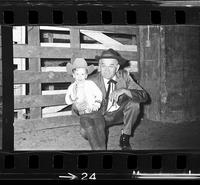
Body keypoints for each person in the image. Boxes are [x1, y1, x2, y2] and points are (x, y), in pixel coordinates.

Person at [76, 49, 148, 150]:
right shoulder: (90, 81)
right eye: (103, 65)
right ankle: (103, 130)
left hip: (119, 113)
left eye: (111, 66)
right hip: (99, 116)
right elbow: (75, 105)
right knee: (84, 132)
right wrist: (77, 106)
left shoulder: (124, 77)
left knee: (134, 105)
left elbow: (144, 96)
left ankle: (125, 137)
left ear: (117, 67)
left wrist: (125, 90)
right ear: (99, 67)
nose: (107, 69)